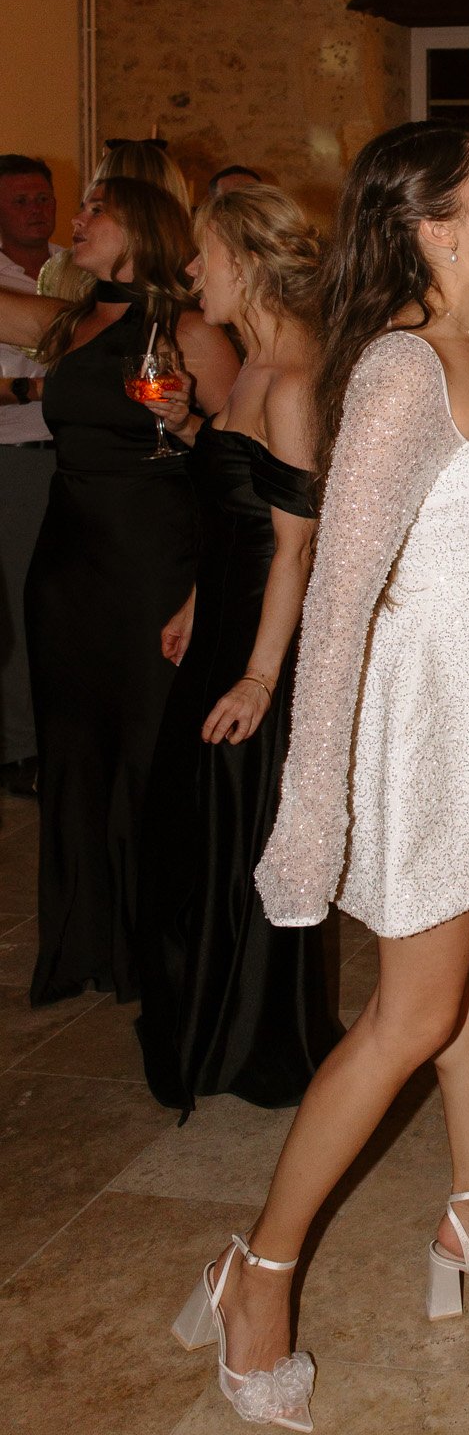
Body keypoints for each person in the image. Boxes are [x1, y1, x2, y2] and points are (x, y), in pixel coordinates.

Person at [172, 122, 469, 1435]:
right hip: (431, 728)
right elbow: (342, 595)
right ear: (431, 225)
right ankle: (258, 1275)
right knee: (409, 1013)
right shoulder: (407, 371)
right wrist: (316, 803)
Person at [0, 178, 238, 1006]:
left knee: (146, 749)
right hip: (67, 563)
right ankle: (83, 942)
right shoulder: (67, 322)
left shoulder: (191, 332)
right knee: (73, 749)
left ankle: (154, 947)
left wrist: (186, 423)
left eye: (94, 210)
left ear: (138, 228)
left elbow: (239, 464)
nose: (76, 220)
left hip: (152, 561)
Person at [135, 184, 341, 1115]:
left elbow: (296, 546)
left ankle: (250, 1038)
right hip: (220, 625)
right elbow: (235, 507)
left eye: (204, 255)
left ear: (248, 263)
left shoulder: (294, 380)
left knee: (240, 840)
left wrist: (260, 678)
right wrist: (190, 600)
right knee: (190, 834)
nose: (191, 272)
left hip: (262, 641)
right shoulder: (254, 364)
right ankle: (206, 1022)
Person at [0, 155, 58, 793]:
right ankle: (19, 748)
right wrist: (36, 389)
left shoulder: (75, 267)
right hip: (13, 454)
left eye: (42, 197)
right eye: (20, 200)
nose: (37, 210)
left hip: (77, 453)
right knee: (17, 598)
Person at [39, 139, 193, 304]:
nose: (76, 220)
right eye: (87, 208)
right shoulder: (66, 271)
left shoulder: (196, 269)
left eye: (97, 210)